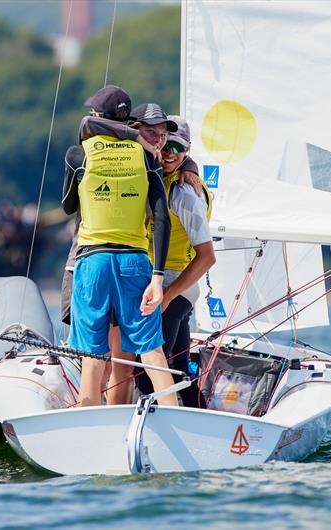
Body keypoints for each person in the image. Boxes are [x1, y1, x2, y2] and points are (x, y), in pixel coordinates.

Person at [62, 85, 177, 407]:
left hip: (92, 260)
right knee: (151, 350)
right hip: (136, 261)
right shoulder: (147, 156)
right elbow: (161, 218)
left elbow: (68, 206)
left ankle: (88, 424)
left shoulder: (77, 154)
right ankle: (175, 416)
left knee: (92, 355)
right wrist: (157, 277)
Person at [137, 116, 215, 407]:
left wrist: (168, 296)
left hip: (174, 287)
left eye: (177, 148)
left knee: (149, 374)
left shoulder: (184, 192)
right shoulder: (162, 175)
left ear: (188, 151)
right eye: (165, 145)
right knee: (181, 373)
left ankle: (153, 434)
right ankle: (203, 424)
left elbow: (207, 257)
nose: (170, 153)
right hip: (166, 287)